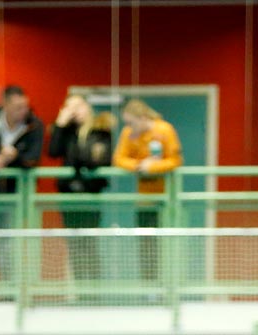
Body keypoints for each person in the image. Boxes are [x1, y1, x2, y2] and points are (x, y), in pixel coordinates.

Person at [0, 85, 44, 281]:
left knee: (18, 239)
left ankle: (23, 284)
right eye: (18, 107)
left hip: (21, 194)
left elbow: (33, 158)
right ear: (5, 104)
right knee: (1, 241)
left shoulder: (35, 125)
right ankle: (9, 284)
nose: (23, 112)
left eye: (25, 107)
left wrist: (15, 157)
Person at [47, 93, 115, 285]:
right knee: (74, 243)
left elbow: (97, 160)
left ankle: (93, 290)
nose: (75, 112)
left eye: (78, 106)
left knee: (89, 242)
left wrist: (81, 160)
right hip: (69, 195)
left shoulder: (101, 130)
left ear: (87, 106)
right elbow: (52, 152)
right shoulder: (66, 132)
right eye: (70, 108)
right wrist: (60, 124)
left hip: (90, 194)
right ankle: (79, 288)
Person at [113, 100, 183, 286]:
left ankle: (170, 285)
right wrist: (138, 165)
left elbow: (175, 160)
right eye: (127, 123)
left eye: (132, 122)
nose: (129, 127)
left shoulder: (164, 130)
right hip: (144, 200)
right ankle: (150, 286)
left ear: (143, 118)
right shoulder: (129, 133)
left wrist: (154, 167)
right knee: (147, 244)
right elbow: (119, 158)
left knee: (167, 243)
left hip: (167, 199)